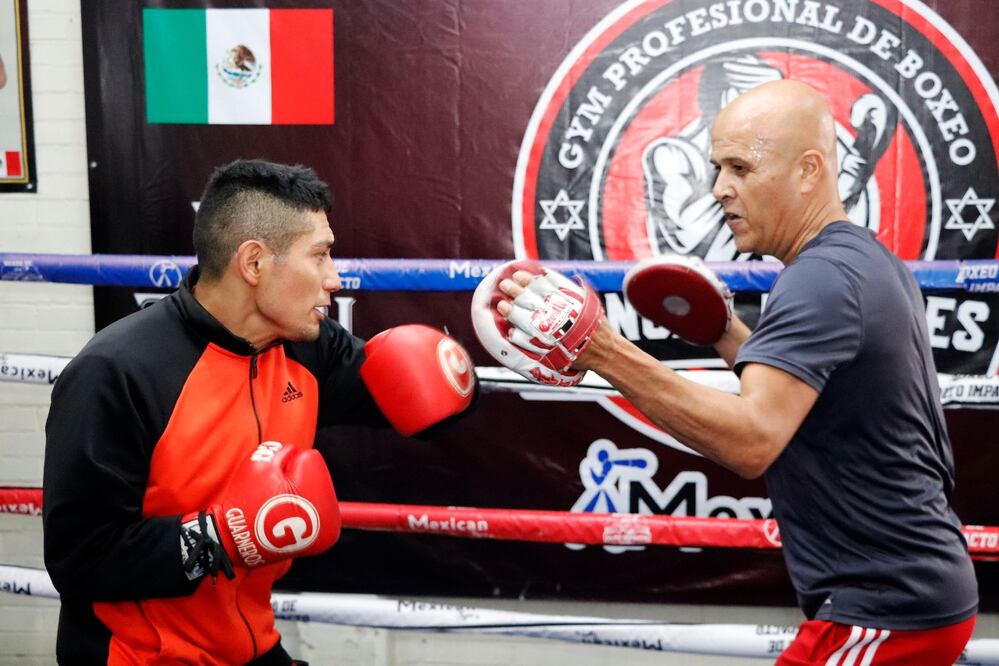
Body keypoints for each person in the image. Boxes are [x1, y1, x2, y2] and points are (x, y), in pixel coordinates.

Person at [475, 80, 978, 664]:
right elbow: (813, 401)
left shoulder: (817, 281)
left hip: (886, 607)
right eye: (717, 168)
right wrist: (725, 334)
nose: (718, 190)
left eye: (740, 168)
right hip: (915, 591)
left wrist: (601, 350)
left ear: (809, 170)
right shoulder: (868, 262)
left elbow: (752, 439)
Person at [43, 159, 476, 665]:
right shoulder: (118, 372)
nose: (334, 279)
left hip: (250, 646)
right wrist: (222, 535)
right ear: (253, 264)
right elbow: (79, 560)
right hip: (140, 656)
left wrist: (465, 372)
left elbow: (421, 409)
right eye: (319, 256)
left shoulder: (308, 348)